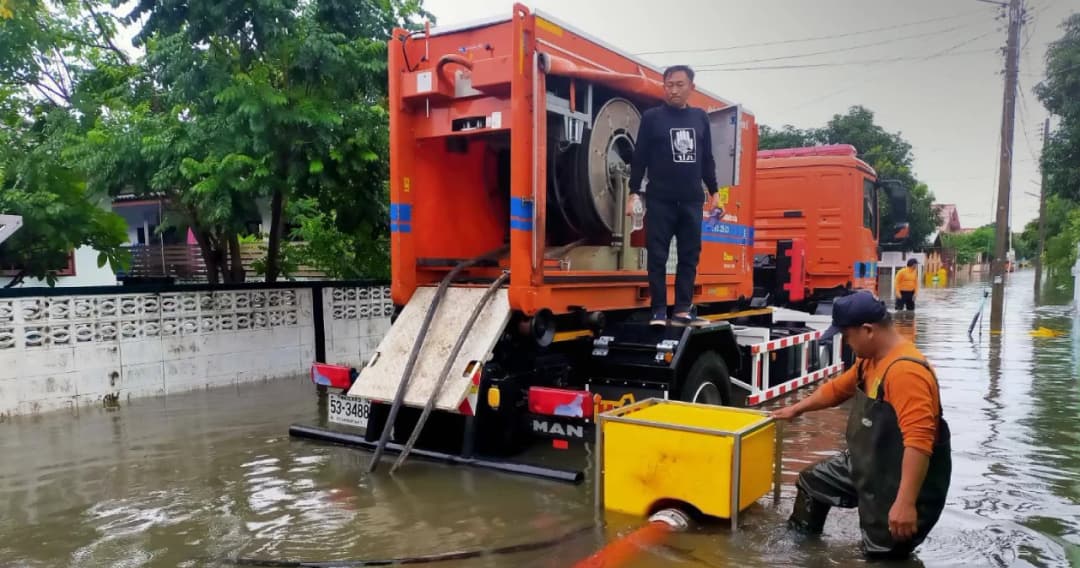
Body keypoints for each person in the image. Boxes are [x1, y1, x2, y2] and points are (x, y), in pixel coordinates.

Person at [771, 290, 951, 559]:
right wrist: (795, 409)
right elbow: (836, 390)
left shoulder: (905, 372)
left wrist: (905, 503)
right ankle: (801, 554)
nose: (846, 343)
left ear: (868, 330)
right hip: (869, 463)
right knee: (813, 482)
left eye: (846, 336)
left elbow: (919, 442)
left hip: (901, 482)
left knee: (881, 553)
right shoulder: (869, 361)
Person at [626, 64, 722, 328]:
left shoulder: (700, 118)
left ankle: (682, 308)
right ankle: (658, 310)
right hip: (660, 199)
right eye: (669, 85)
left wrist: (715, 192)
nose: (674, 90)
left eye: (680, 85)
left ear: (691, 87)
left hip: (691, 199)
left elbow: (707, 159)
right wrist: (633, 192)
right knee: (657, 254)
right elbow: (639, 158)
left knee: (689, 255)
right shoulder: (652, 118)